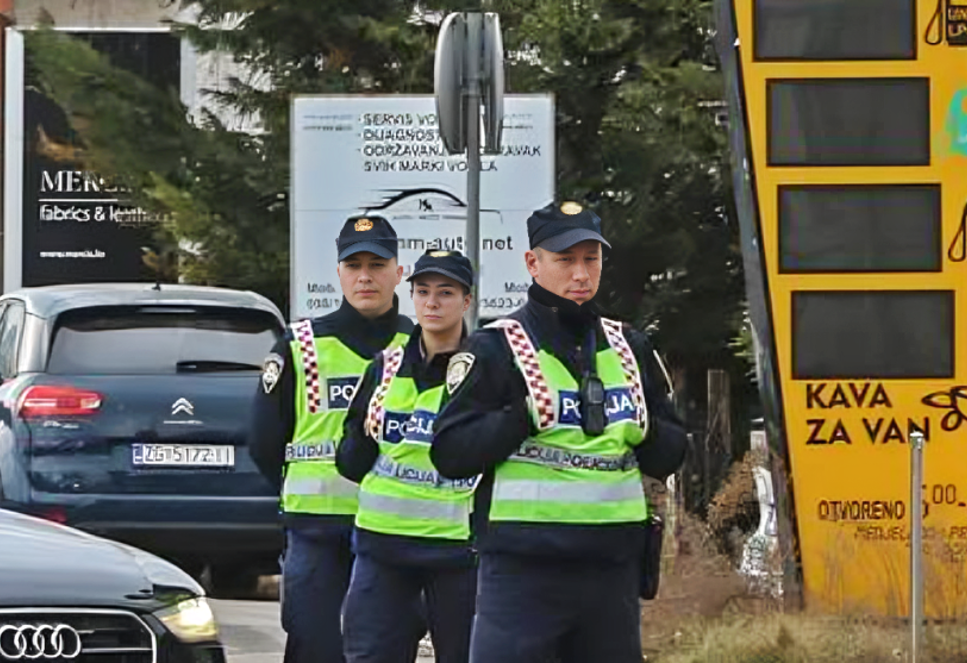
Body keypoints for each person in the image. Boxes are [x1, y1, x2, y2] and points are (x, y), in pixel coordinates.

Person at [429, 201, 688, 663]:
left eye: (591, 259)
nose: (581, 274)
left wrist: (645, 432)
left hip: (610, 575)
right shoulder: (496, 347)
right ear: (533, 263)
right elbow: (450, 452)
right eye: (565, 260)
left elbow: (672, 453)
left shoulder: (630, 346)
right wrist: (521, 417)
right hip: (523, 575)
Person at [249, 214, 417, 663]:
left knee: (386, 649)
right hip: (317, 532)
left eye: (377, 265)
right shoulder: (300, 344)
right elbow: (264, 443)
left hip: (397, 531)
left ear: (398, 272)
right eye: (354, 265)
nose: (365, 276)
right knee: (315, 645)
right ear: (339, 272)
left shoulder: (422, 344)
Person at [336, 249, 481, 663]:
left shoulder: (487, 369)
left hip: (458, 553)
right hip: (383, 549)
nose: (432, 303)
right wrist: (360, 441)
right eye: (423, 292)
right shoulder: (384, 367)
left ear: (466, 300)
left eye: (446, 292)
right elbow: (351, 459)